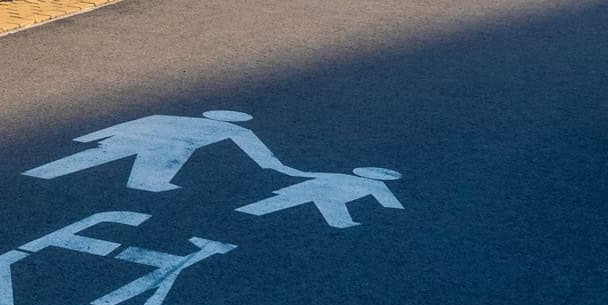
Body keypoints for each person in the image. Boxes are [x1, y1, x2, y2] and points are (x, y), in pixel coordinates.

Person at [25, 110, 299, 192]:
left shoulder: (169, 118)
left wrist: (88, 137)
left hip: (130, 139)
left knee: (92, 156)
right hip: (171, 150)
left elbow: (136, 123)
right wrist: (280, 168)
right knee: (152, 175)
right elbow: (259, 153)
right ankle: (148, 187)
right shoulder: (236, 130)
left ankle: (46, 172)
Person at [235, 168, 403, 229]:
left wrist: (284, 169)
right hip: (330, 197)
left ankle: (244, 215)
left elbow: (304, 174)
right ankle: (342, 225)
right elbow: (389, 203)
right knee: (335, 212)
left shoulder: (340, 175)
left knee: (269, 204)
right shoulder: (379, 185)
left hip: (307, 191)